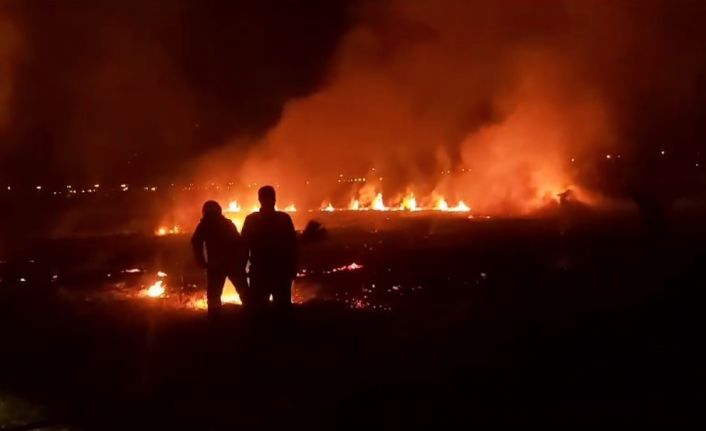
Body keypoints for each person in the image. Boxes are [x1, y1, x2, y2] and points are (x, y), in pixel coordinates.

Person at [242, 186, 297, 311]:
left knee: (260, 312)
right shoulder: (284, 218)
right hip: (280, 272)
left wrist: (242, 269)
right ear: (275, 199)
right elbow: (292, 245)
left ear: (259, 199)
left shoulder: (251, 220)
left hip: (260, 272)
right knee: (282, 309)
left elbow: (244, 246)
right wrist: (293, 268)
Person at [191, 200, 248, 317]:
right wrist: (241, 262)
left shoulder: (205, 225)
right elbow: (239, 242)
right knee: (244, 292)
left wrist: (201, 261)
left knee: (214, 296)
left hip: (215, 265)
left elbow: (195, 241)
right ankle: (252, 316)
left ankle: (214, 321)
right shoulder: (227, 223)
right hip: (232, 264)